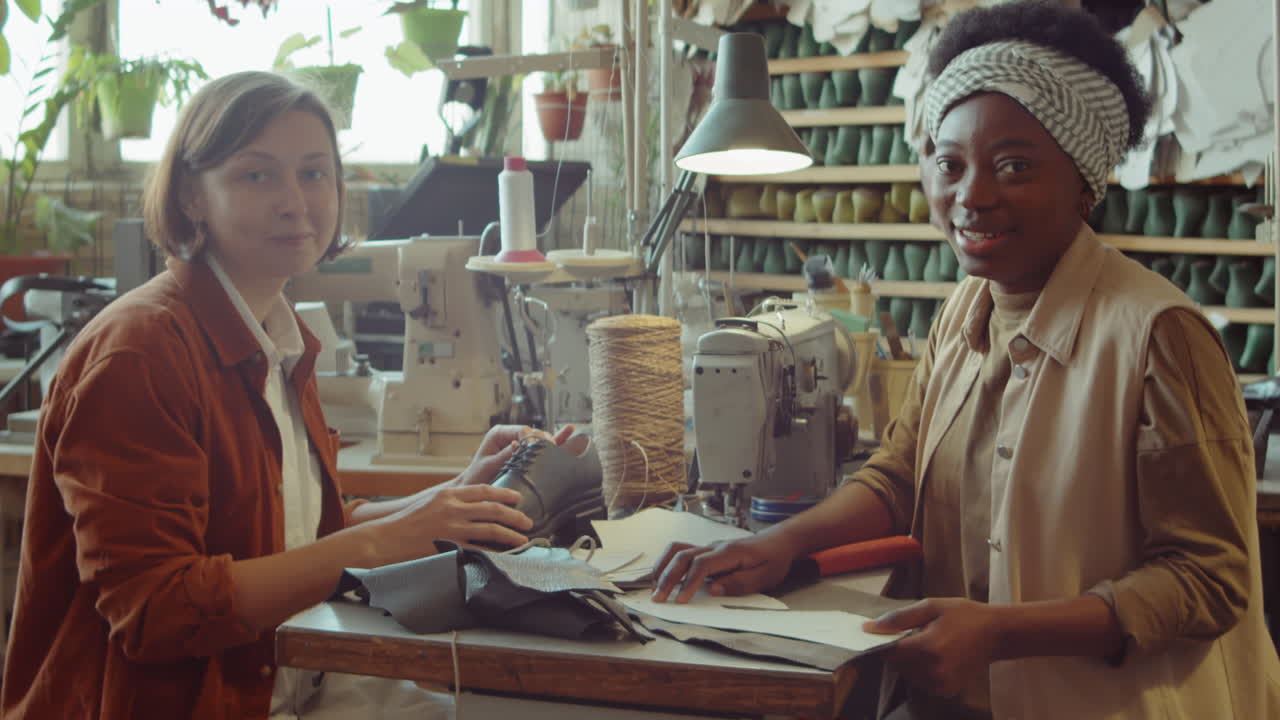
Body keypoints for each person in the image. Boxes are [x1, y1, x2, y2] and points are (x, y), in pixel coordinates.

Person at [653, 3, 1280, 718]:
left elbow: (1210, 576)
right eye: (949, 164)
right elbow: (899, 473)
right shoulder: (964, 310)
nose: (972, 196)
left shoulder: (1157, 337)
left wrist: (1000, 635)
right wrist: (781, 545)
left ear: (1085, 182)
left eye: (1014, 167)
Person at [0, 70, 577, 720]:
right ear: (192, 195)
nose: (295, 202)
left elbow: (299, 535)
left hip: (286, 680)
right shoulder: (142, 352)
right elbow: (156, 612)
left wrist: (450, 499)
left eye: (314, 173)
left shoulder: (279, 339)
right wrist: (386, 540)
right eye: (256, 175)